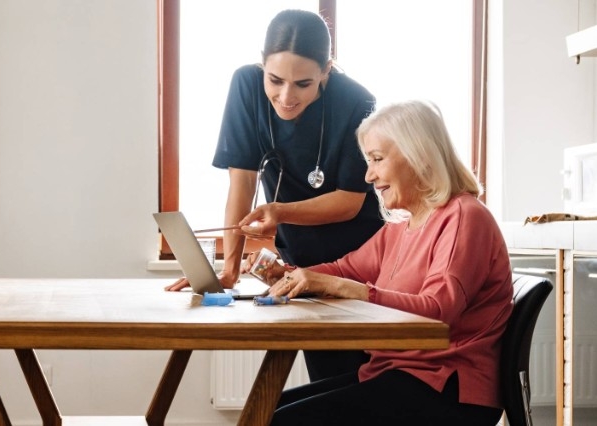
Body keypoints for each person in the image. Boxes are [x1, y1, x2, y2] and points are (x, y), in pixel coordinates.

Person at [164, 9, 384, 382]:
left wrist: (279, 212)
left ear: (326, 71)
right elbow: (242, 182)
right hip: (297, 259)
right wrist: (230, 268)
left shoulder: (357, 103)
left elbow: (350, 201)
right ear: (261, 65)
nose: (285, 97)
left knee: (349, 379)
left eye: (303, 84)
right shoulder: (246, 86)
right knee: (321, 380)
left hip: (356, 259)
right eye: (276, 79)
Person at [262, 100, 513, 425]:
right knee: (266, 408)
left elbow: (438, 311)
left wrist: (343, 288)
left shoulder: (464, 217)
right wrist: (284, 274)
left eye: (377, 159)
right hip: (401, 374)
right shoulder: (401, 228)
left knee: (283, 420)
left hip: (447, 386)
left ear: (419, 154)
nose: (369, 175)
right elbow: (343, 270)